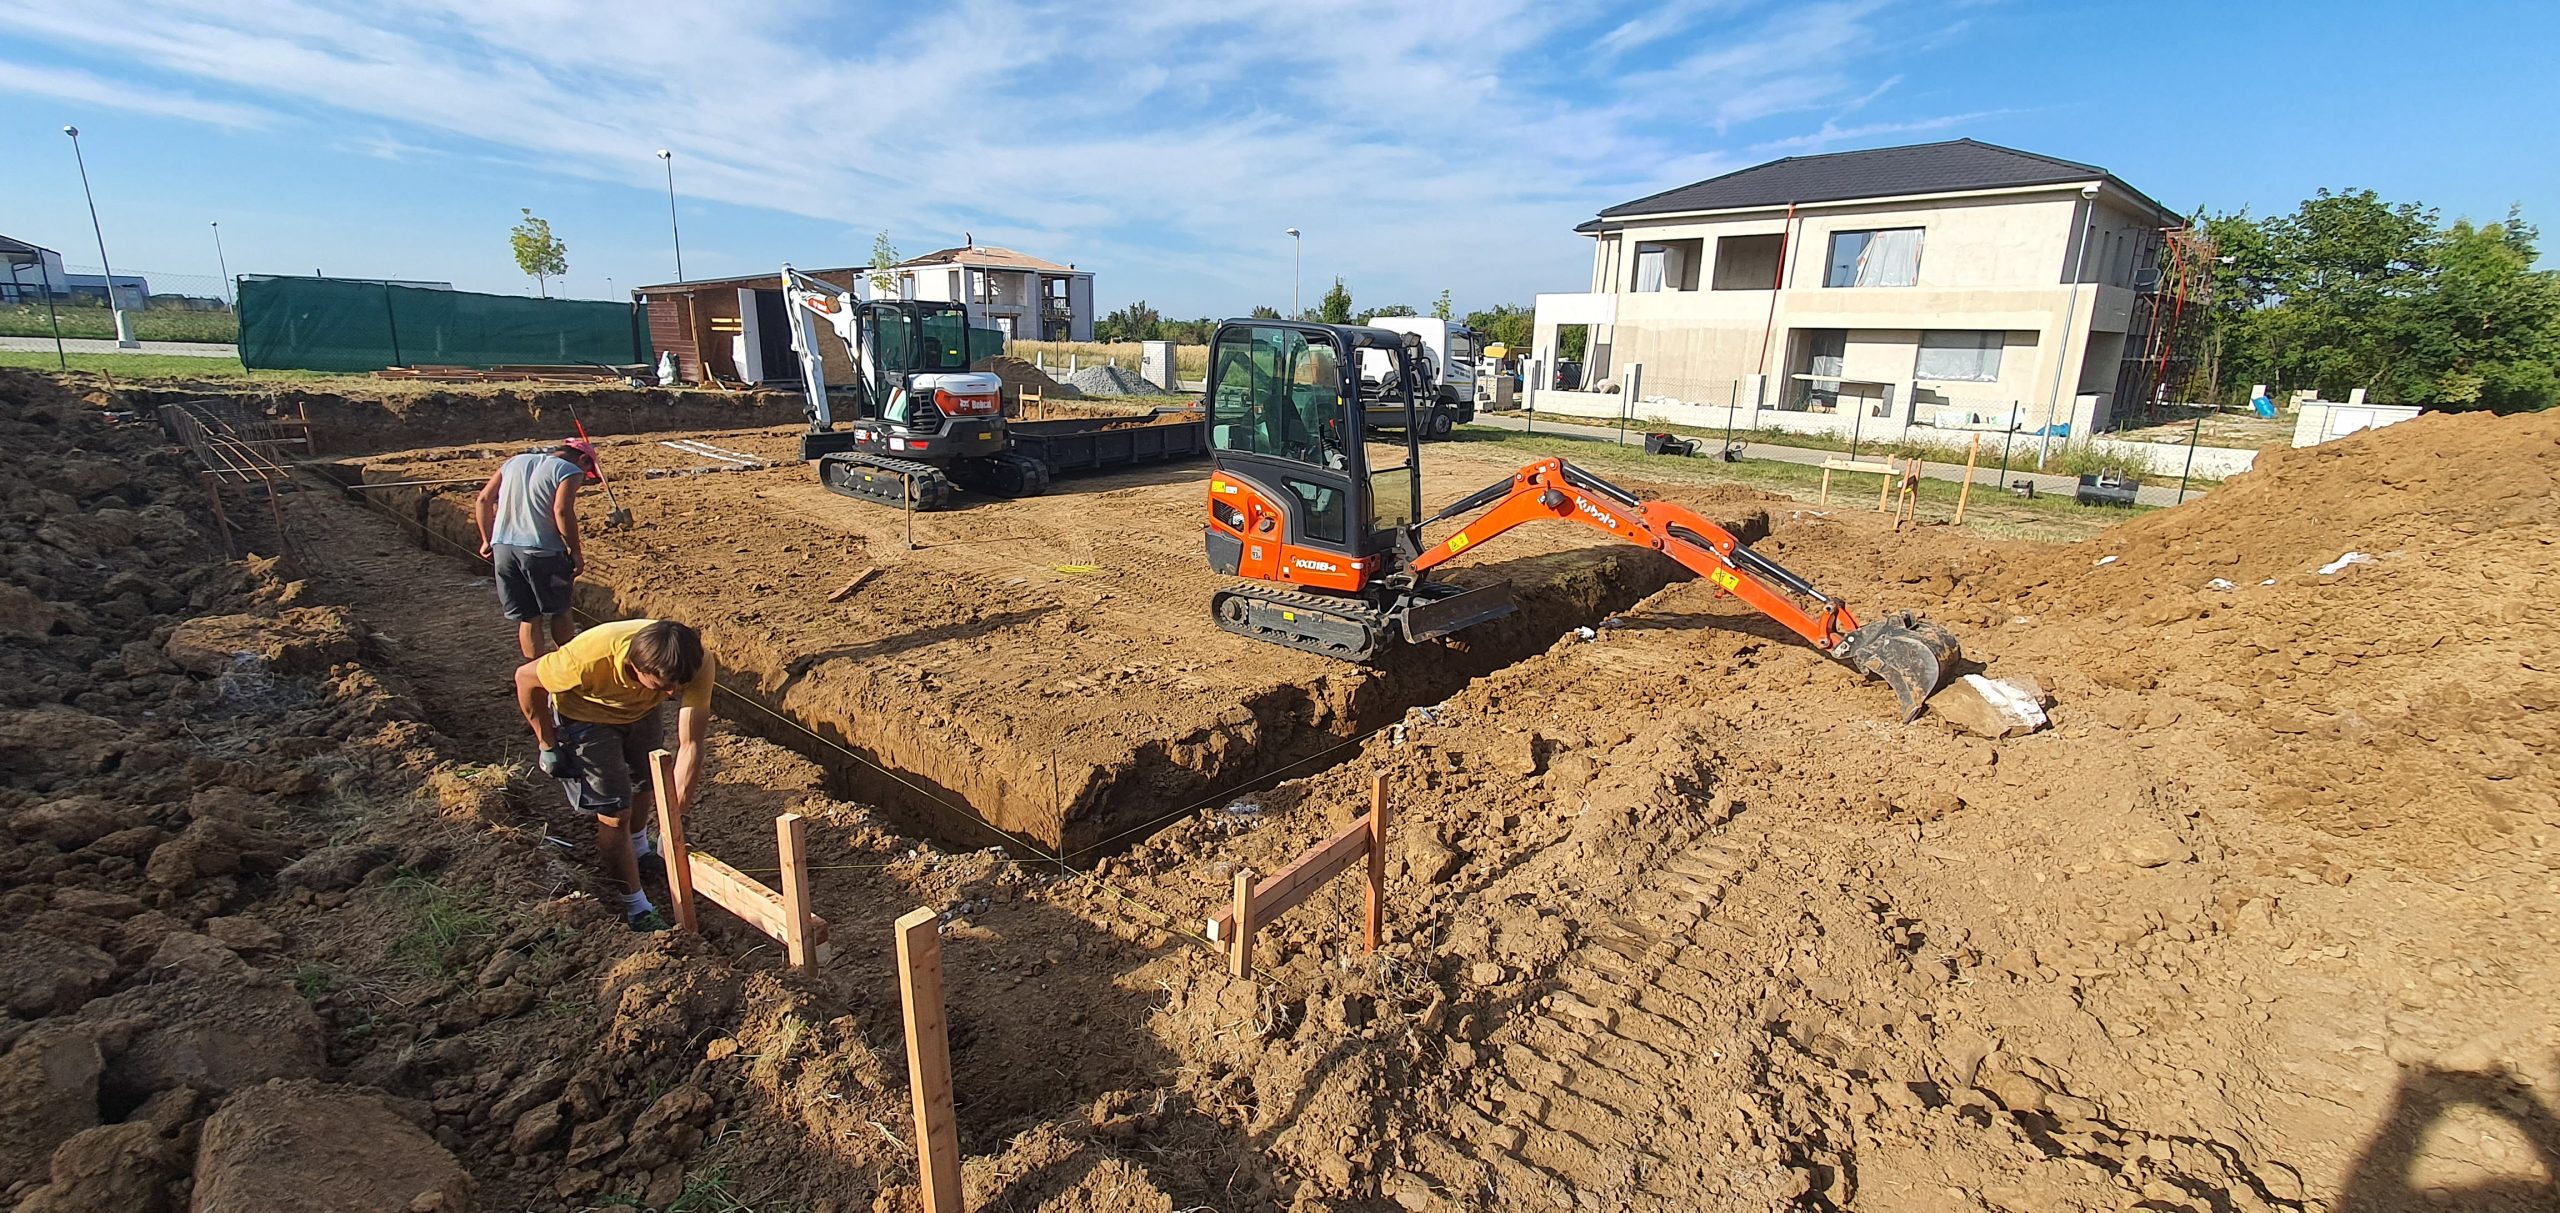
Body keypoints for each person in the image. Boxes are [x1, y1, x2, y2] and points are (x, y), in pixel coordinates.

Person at [512, 618, 713, 931]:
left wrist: (670, 824)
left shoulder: (695, 660)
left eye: (678, 686)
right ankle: (636, 905)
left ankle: (640, 847)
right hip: (585, 716)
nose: (672, 694)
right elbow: (525, 679)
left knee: (646, 781)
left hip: (641, 711)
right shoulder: (584, 662)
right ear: (636, 667)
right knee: (615, 811)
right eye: (664, 687)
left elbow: (691, 745)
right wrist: (547, 742)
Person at [476, 440, 599, 658]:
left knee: (529, 616)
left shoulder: (514, 461)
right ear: (583, 460)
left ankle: (535, 674)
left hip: (504, 549)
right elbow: (561, 511)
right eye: (587, 471)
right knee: (560, 610)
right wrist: (576, 551)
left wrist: (487, 539)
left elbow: (484, 499)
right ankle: (566, 670)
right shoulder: (569, 470)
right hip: (543, 551)